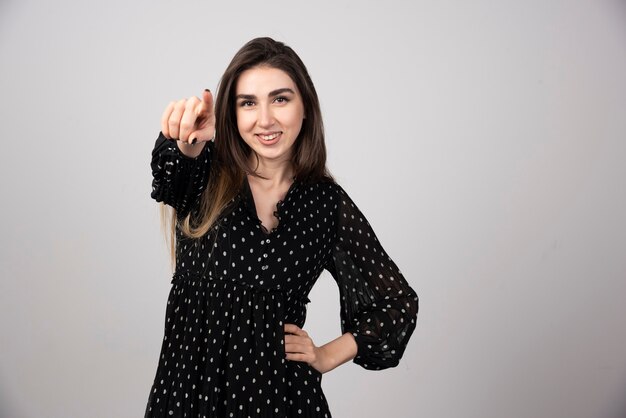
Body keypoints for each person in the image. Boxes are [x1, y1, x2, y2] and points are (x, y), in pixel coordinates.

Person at [145, 37, 419, 418]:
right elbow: (174, 169)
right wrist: (187, 140)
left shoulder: (325, 205)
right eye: (248, 103)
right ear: (232, 113)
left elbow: (396, 304)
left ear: (305, 106)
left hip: (283, 400)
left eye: (280, 99)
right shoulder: (205, 172)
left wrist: (325, 355)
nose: (265, 119)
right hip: (190, 396)